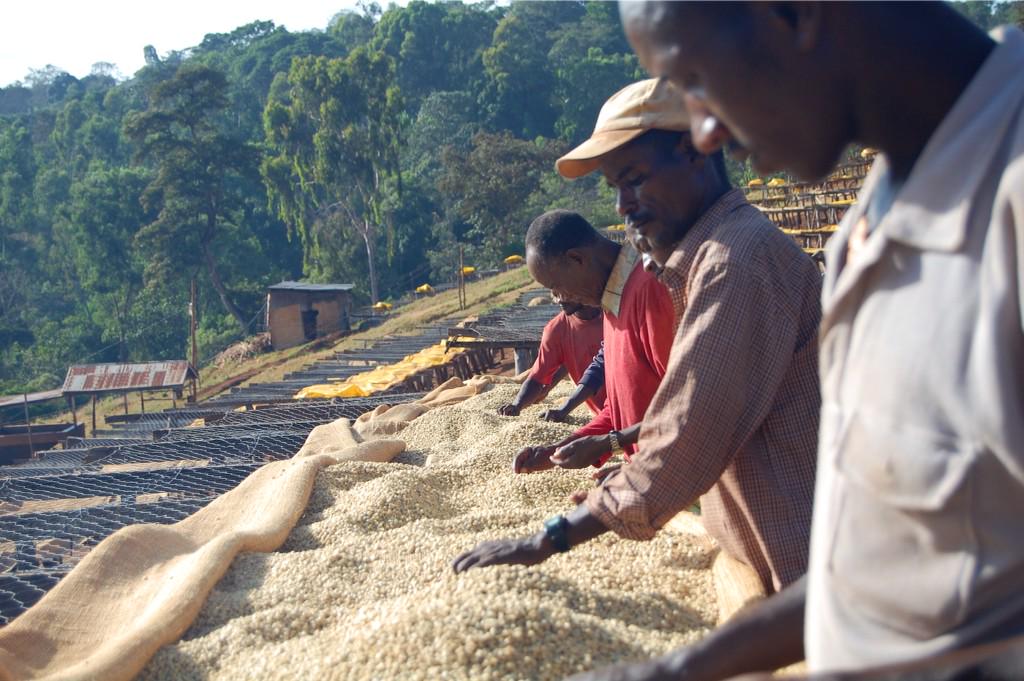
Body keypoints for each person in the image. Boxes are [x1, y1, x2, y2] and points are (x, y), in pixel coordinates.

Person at [568, 2, 1024, 679]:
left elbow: (694, 426)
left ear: (795, 12)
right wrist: (676, 669)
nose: (707, 131)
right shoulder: (871, 226)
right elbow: (881, 564)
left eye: (698, 79)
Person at [454, 78, 821, 596]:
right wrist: (593, 449)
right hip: (764, 553)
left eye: (635, 180)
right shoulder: (700, 263)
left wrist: (549, 539)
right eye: (615, 188)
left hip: (805, 554)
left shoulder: (735, 262)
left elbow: (689, 427)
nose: (623, 205)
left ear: (694, 150)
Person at [508, 209, 674, 476]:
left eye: (556, 285)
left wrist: (610, 444)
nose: (559, 297)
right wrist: (560, 449)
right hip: (655, 470)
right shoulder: (611, 304)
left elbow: (693, 405)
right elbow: (621, 408)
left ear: (576, 259)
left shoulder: (649, 290)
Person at [496, 302, 606, 421]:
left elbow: (599, 371)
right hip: (603, 413)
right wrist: (517, 405)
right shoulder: (556, 329)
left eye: (565, 293)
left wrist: (564, 409)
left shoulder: (613, 317)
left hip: (620, 404)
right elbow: (537, 378)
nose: (558, 300)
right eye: (555, 294)